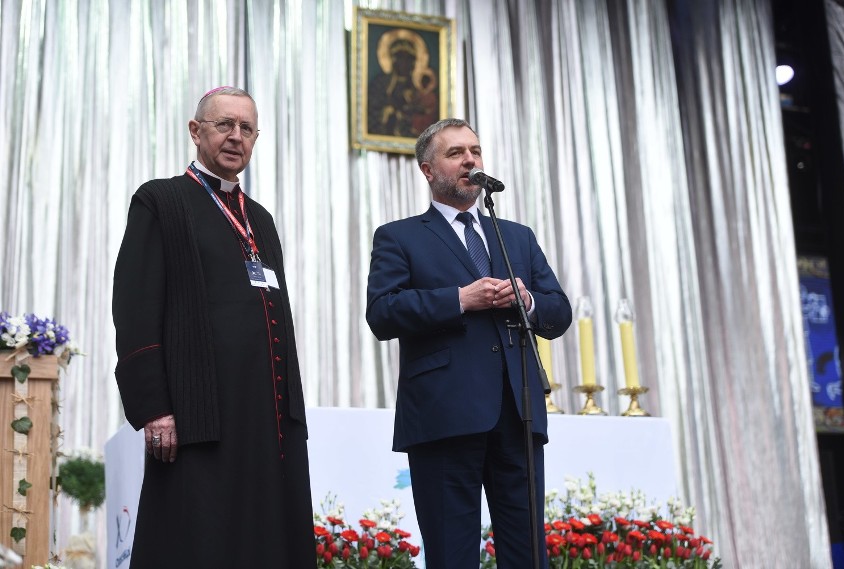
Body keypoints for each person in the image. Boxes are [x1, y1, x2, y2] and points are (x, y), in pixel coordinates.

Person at [112, 87, 314, 567]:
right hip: (196, 410)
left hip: (265, 418)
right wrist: (155, 408)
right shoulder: (160, 199)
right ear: (195, 130)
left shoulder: (259, 218)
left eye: (246, 128)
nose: (235, 137)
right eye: (224, 124)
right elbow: (135, 306)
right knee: (198, 537)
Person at [365, 118, 573, 568]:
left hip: (517, 413)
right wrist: (459, 299)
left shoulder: (515, 235)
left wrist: (529, 299)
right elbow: (382, 313)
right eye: (456, 153)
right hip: (444, 415)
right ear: (427, 170)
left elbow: (558, 313)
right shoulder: (399, 236)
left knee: (527, 553)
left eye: (475, 151)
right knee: (453, 554)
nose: (470, 160)